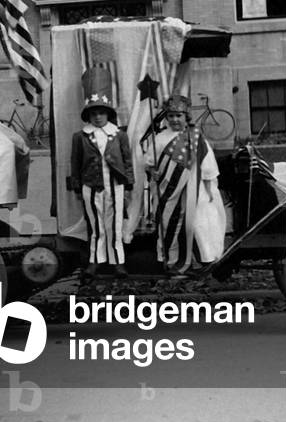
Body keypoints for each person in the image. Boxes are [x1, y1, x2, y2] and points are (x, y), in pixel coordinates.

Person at [143, 94, 222, 275]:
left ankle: (203, 260)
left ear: (186, 117)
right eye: (171, 116)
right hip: (168, 190)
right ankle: (171, 262)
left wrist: (209, 188)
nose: (175, 119)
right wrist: (151, 172)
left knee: (196, 224)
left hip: (194, 189)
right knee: (169, 224)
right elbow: (149, 163)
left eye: (178, 115)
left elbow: (207, 165)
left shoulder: (195, 137)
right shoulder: (160, 138)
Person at [68, 68, 134, 288]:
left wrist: (129, 183)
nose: (98, 117)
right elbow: (75, 163)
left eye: (102, 112)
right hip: (91, 186)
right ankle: (95, 261)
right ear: (88, 115)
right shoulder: (80, 137)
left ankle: (119, 262)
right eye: (94, 113)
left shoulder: (119, 135)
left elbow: (127, 160)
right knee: (96, 225)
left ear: (108, 114)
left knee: (115, 224)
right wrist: (77, 186)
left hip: (114, 185)